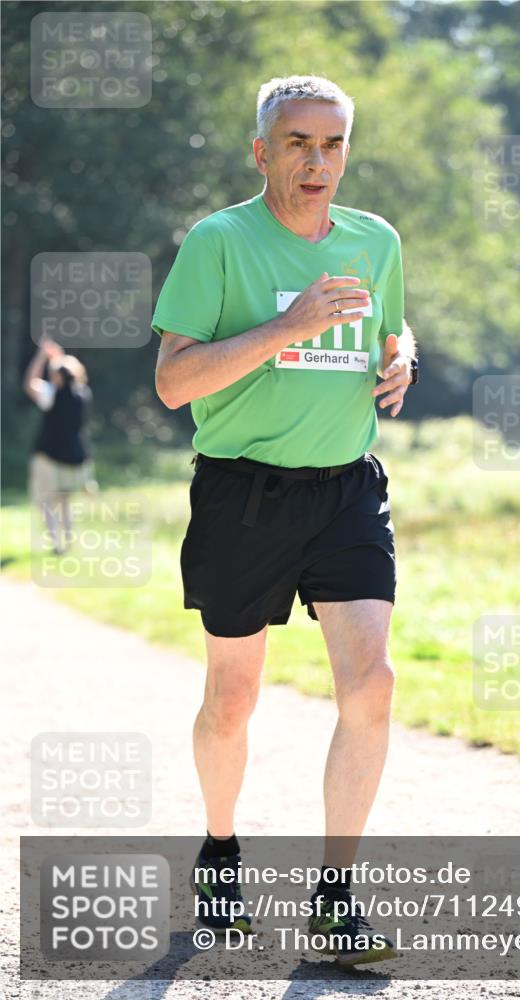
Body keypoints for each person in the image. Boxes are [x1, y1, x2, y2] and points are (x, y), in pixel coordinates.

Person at [152, 75, 419, 966]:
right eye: (299, 143)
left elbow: (388, 330)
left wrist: (401, 357)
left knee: (370, 684)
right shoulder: (220, 242)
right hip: (242, 491)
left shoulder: (373, 240)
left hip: (346, 488)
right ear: (261, 151)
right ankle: (221, 854)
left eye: (334, 143)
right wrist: (290, 324)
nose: (318, 161)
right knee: (232, 698)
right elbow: (174, 382)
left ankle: (335, 902)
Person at [23, 336, 95, 555]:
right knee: (64, 501)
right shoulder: (83, 394)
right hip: (73, 456)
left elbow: (29, 383)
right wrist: (59, 357)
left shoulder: (51, 394)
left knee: (45, 501)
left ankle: (56, 544)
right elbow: (69, 372)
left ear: (56, 376)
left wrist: (41, 356)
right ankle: (69, 540)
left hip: (49, 456)